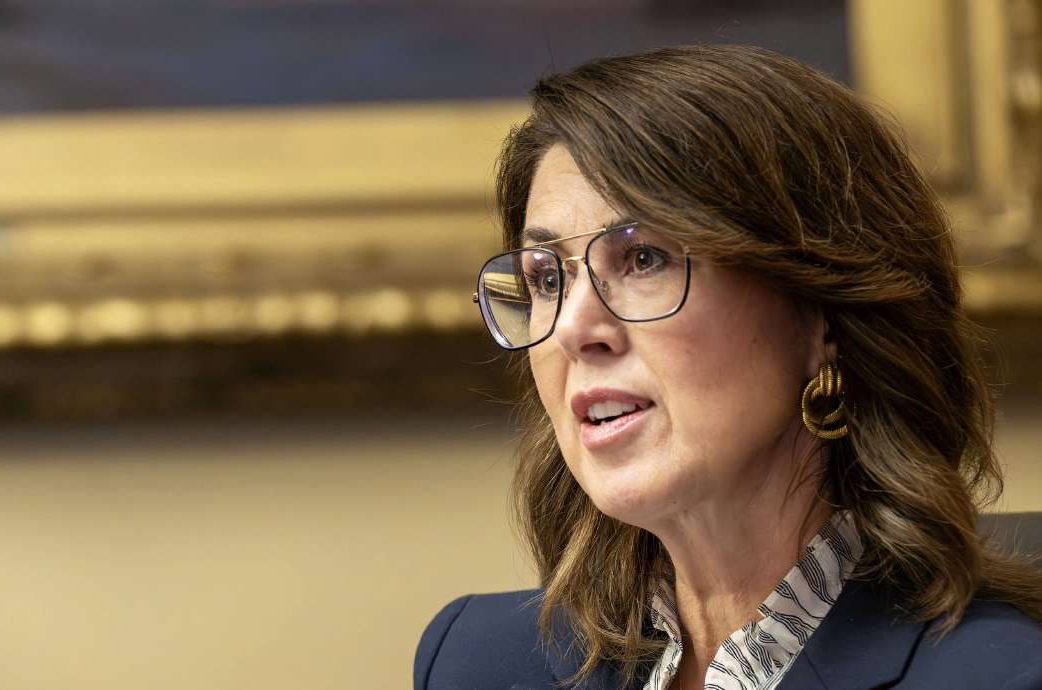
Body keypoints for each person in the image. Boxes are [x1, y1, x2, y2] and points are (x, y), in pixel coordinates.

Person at [415, 45, 1042, 690]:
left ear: (819, 312)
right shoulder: (473, 662)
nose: (574, 328)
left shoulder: (999, 676)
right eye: (546, 278)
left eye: (644, 259)